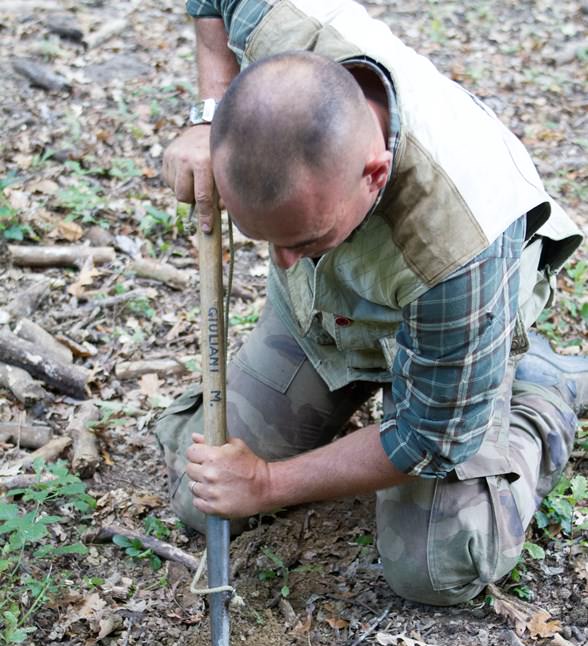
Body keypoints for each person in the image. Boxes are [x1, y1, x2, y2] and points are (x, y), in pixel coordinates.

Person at [156, 0, 586, 607]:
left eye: (303, 240)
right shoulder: (283, 22)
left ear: (375, 173)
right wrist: (208, 115)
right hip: (328, 311)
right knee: (198, 501)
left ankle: (542, 392)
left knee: (435, 565)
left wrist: (268, 482)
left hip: (444, 323)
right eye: (268, 241)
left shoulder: (456, 243)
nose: (280, 262)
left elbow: (428, 439)